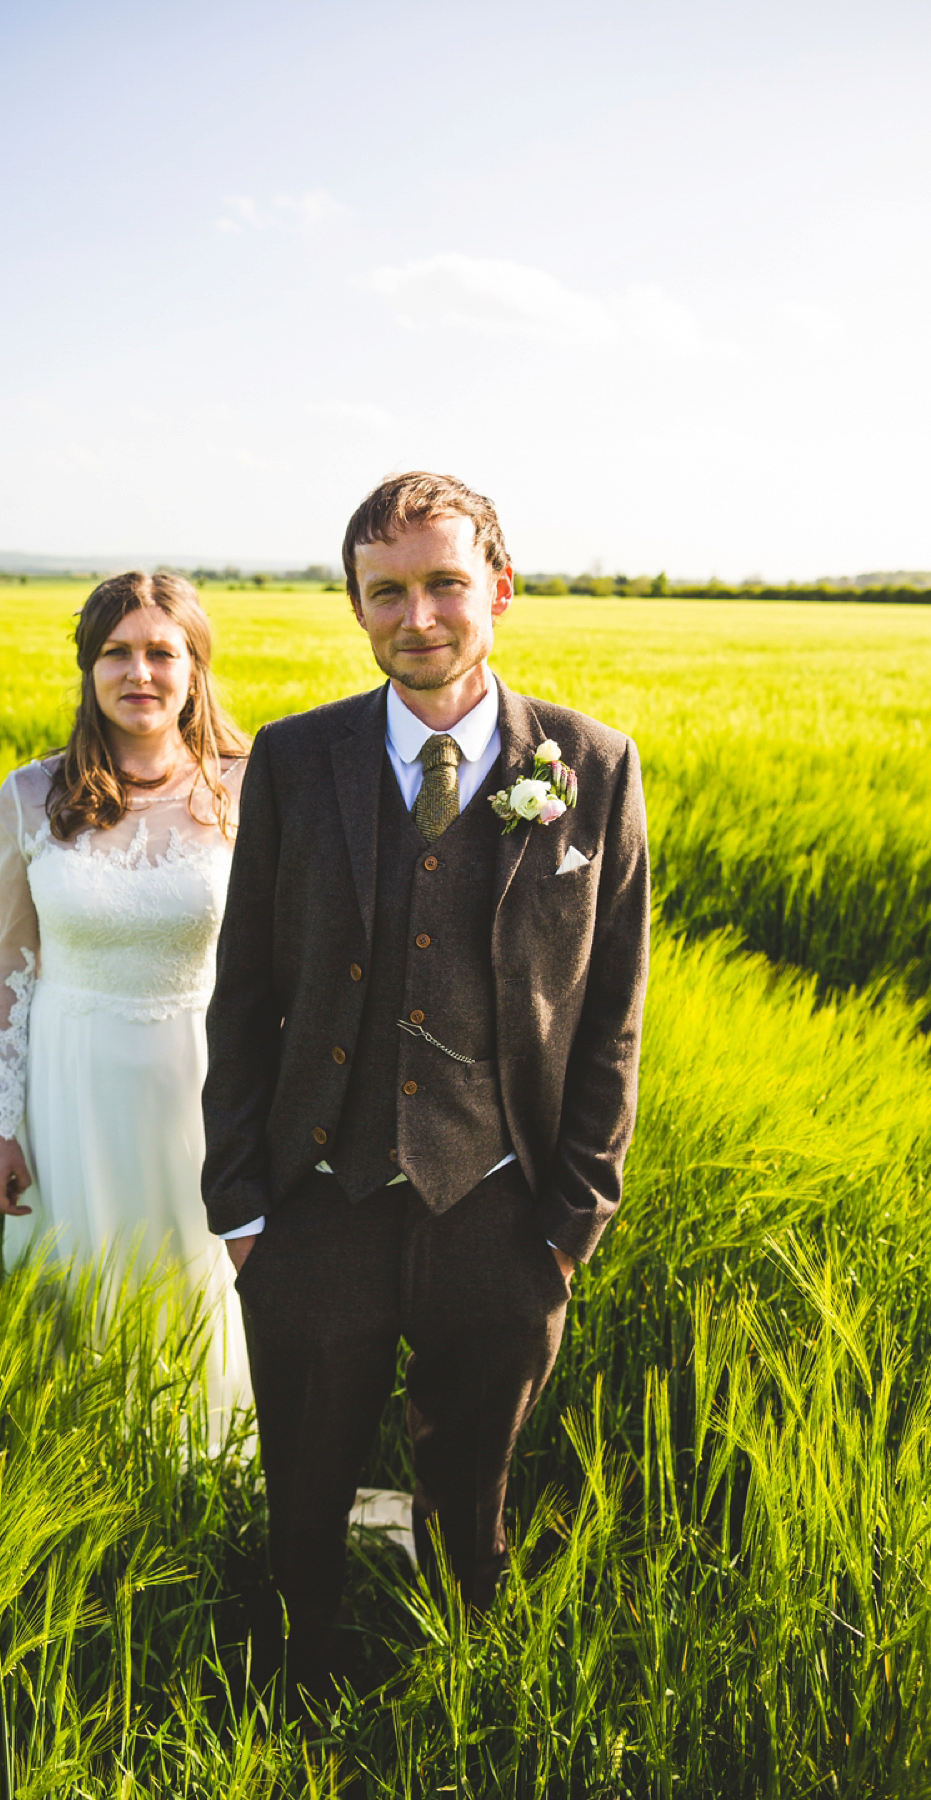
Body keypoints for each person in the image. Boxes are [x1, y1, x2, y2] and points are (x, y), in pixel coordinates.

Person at [202, 472, 649, 1692]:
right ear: (356, 608)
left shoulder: (593, 768)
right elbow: (243, 993)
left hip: (504, 1206)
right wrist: (242, 1209)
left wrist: (569, 1226)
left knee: (472, 1487)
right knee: (306, 1476)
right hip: (315, 1202)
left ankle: (463, 1688)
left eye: (445, 583)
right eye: (386, 591)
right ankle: (301, 1677)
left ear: (498, 589)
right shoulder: (295, 761)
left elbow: (612, 1014)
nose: (420, 616)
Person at [0, 569, 252, 1430]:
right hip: (72, 1082)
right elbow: (3, 971)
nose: (141, 673)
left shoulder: (248, 788)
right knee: (80, 1277)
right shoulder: (30, 794)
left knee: (198, 1271)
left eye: (162, 652)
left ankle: (209, 1466)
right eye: (116, 653)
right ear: (89, 670)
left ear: (196, 667)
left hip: (206, 1085)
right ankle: (83, 1462)